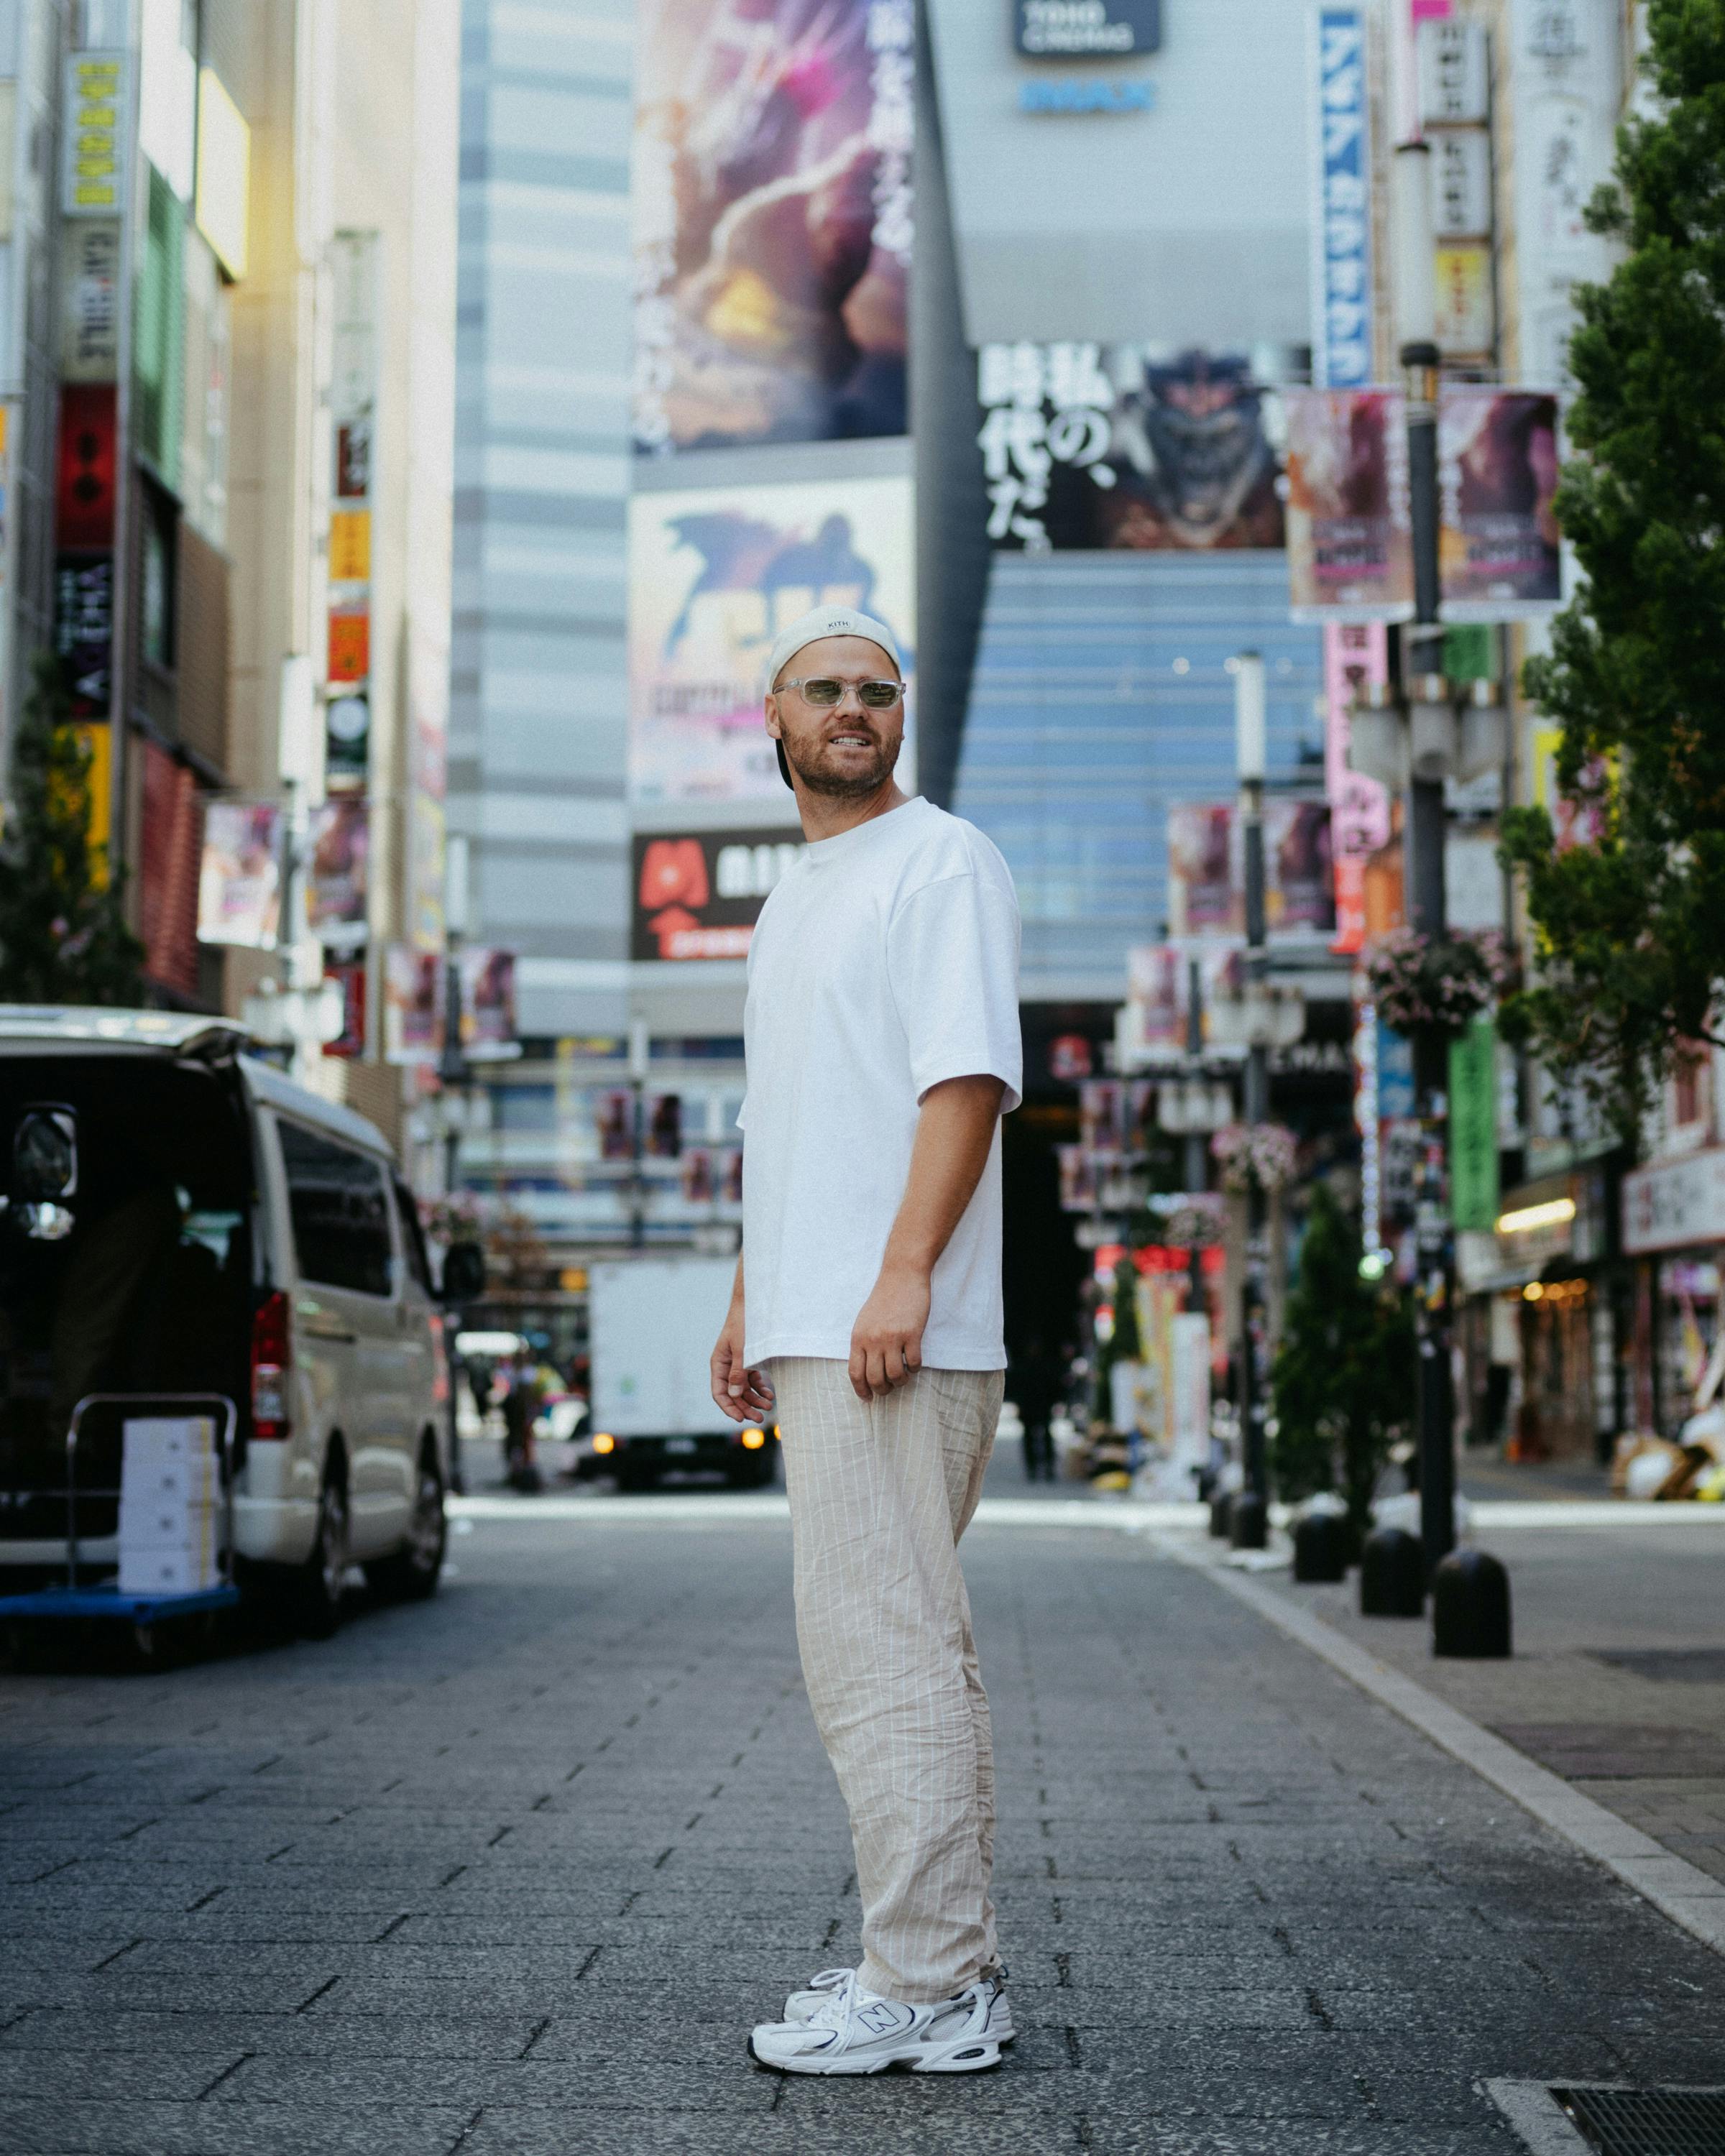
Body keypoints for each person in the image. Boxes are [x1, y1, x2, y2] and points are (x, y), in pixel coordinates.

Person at [710, 604, 1021, 2076]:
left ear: (903, 720)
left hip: (893, 1330)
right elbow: (793, 1125)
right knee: (892, 1645)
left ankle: (930, 1987)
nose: (852, 709)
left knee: (882, 1651)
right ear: (769, 722)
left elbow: (965, 1084)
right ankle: (931, 1962)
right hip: (822, 1320)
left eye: (876, 692)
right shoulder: (795, 898)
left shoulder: (939, 861)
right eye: (823, 690)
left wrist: (899, 1276)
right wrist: (749, 1296)